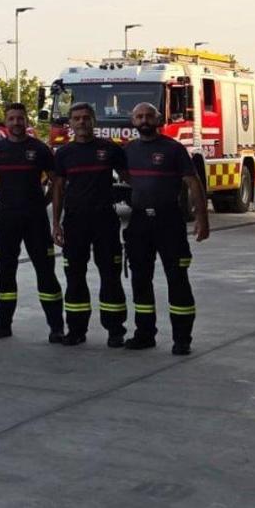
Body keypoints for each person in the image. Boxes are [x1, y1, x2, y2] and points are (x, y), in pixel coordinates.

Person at [122, 102, 209, 355]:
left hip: (169, 221)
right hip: (139, 222)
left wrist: (203, 219)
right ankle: (144, 334)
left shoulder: (174, 149)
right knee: (140, 279)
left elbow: (193, 183)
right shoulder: (129, 150)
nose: (144, 120)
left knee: (178, 279)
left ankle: (182, 339)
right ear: (133, 121)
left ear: (158, 119)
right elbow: (125, 175)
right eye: (139, 116)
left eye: (149, 115)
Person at [0, 104, 65, 342]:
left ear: (26, 121)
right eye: (11, 118)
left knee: (46, 272)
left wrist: (45, 203)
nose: (16, 122)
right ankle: (3, 324)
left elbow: (56, 183)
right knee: (5, 273)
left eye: (20, 118)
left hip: (35, 221)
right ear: (5, 122)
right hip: (7, 220)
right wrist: (2, 201)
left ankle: (56, 327)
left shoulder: (40, 149)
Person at [50, 102, 130, 347]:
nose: (82, 122)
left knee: (110, 276)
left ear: (94, 121)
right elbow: (58, 189)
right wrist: (56, 223)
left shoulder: (110, 149)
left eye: (86, 117)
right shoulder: (63, 154)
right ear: (71, 123)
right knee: (74, 276)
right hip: (75, 222)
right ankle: (76, 329)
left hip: (105, 220)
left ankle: (115, 330)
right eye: (77, 118)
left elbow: (130, 177)